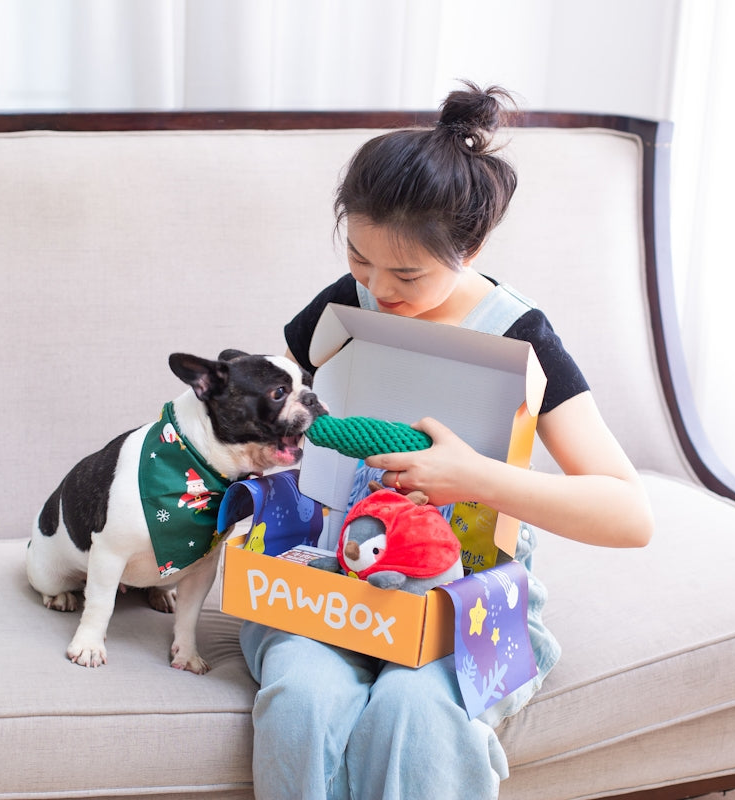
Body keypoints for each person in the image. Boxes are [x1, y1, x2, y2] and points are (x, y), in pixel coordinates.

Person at [240, 81, 654, 800]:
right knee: (302, 701)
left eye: (407, 272)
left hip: (466, 596)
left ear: (475, 245)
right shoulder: (342, 306)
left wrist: (473, 477)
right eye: (360, 258)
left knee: (418, 714)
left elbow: (630, 515)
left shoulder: (520, 335)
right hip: (331, 576)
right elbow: (275, 429)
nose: (376, 285)